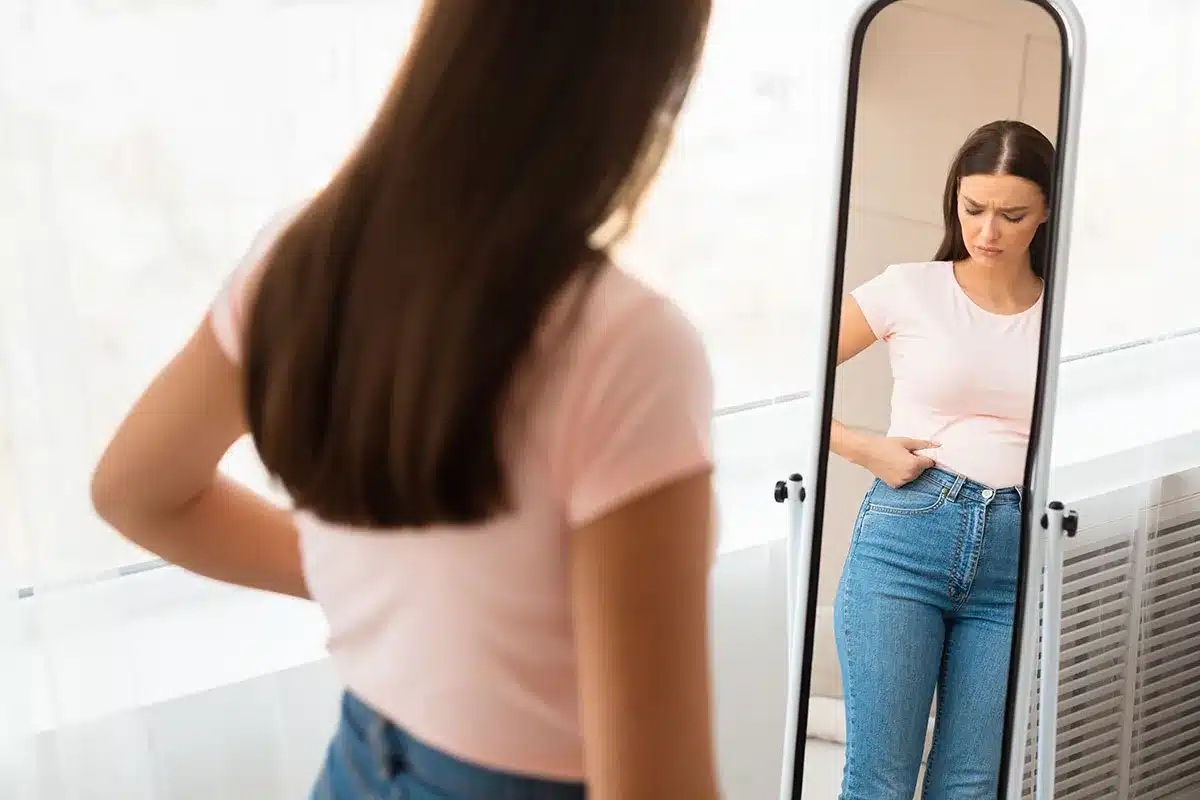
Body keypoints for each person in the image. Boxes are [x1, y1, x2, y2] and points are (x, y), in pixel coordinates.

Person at [90, 3, 720, 798]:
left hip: (359, 764)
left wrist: (388, 578)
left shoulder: (302, 257)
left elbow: (136, 492)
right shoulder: (627, 344)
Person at [829, 119, 1054, 800]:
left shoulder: (1071, 315)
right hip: (906, 541)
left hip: (1019, 558)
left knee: (972, 784)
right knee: (881, 778)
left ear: (1046, 211)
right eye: (973, 209)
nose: (988, 231)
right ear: (953, 200)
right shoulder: (908, 287)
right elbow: (785, 379)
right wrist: (865, 448)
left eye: (1012, 215)